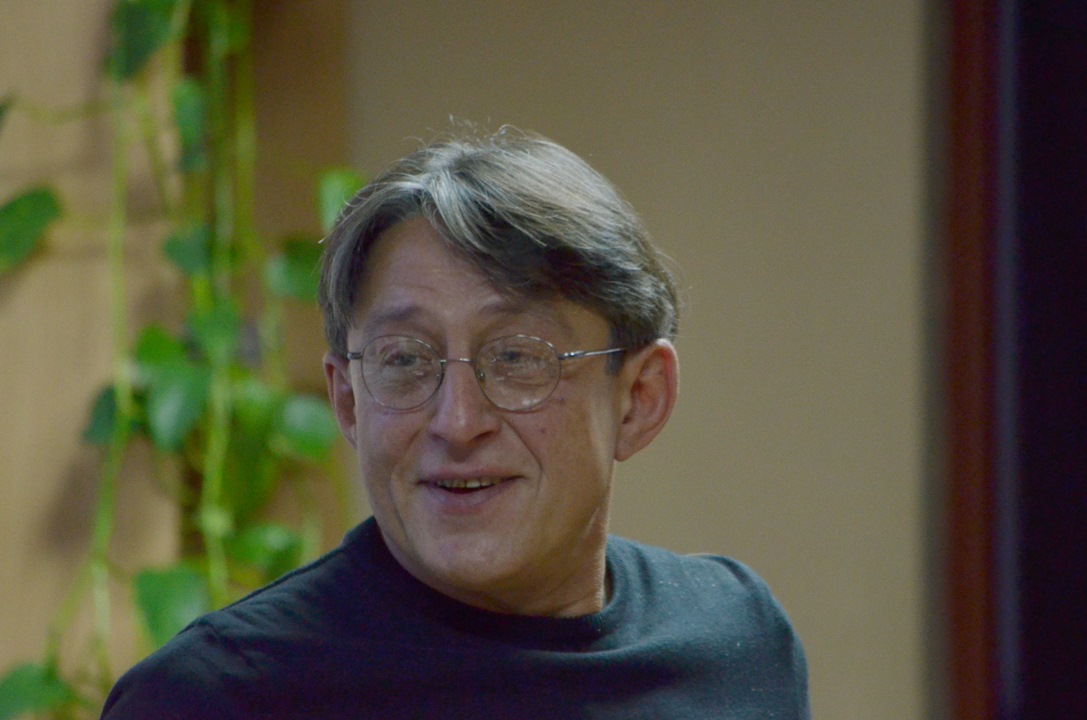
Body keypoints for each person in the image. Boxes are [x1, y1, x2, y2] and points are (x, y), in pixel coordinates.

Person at [101, 127, 809, 718]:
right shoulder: (219, 697)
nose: (458, 421)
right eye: (406, 360)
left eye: (518, 358)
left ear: (639, 398)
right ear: (347, 401)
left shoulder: (734, 639)